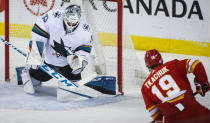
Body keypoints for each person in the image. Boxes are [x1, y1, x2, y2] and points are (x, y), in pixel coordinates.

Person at [21, 4, 93, 94]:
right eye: (68, 22)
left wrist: (78, 61)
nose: (70, 25)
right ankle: (27, 72)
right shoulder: (53, 17)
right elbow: (39, 31)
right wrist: (36, 54)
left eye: (73, 23)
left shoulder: (85, 30)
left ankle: (71, 85)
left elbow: (85, 49)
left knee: (72, 90)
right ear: (64, 16)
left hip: (67, 65)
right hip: (47, 62)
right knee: (34, 81)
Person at [141, 49, 210, 123]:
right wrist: (202, 83)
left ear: (147, 65)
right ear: (160, 59)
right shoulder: (172, 65)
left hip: (171, 118)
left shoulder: (145, 87)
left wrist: (159, 120)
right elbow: (195, 64)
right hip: (194, 111)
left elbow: (154, 113)